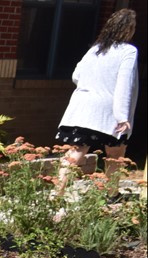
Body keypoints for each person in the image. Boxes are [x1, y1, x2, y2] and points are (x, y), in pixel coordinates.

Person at [54, 8, 139, 197]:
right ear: (129, 29)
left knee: (74, 154)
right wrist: (122, 116)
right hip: (108, 113)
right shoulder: (128, 51)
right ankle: (111, 194)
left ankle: (56, 195)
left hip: (81, 109)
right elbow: (125, 84)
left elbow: (76, 75)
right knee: (115, 155)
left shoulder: (95, 49)